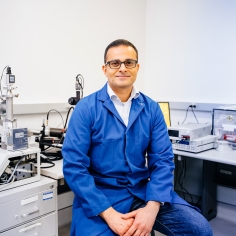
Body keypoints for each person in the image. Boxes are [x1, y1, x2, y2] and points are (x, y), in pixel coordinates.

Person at [62, 39, 213, 236]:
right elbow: (74, 166)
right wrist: (109, 215)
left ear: (137, 67)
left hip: (143, 191)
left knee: (200, 229)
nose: (122, 68)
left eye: (129, 62)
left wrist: (151, 208)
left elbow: (163, 161)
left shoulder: (151, 109)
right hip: (101, 195)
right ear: (104, 69)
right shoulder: (86, 109)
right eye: (115, 63)